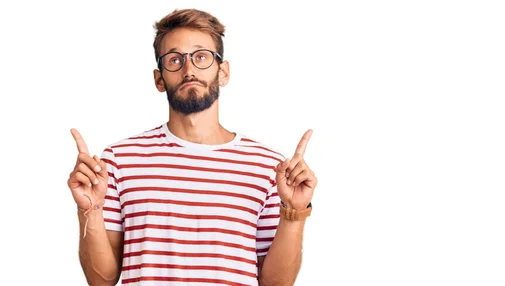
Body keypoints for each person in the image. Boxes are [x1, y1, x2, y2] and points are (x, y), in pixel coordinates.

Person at [67, 8, 317, 286]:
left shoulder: (269, 166)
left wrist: (294, 213)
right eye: (174, 59)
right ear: (159, 78)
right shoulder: (119, 160)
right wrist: (90, 209)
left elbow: (275, 284)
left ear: (223, 72)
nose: (189, 70)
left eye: (201, 57)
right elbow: (101, 281)